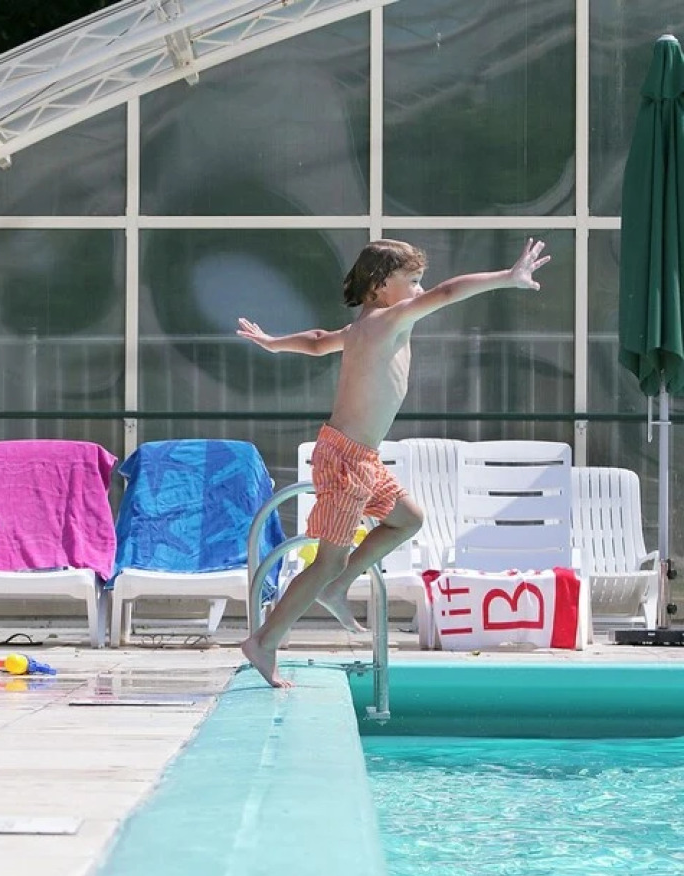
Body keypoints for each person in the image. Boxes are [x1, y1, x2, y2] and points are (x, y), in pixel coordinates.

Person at [235, 237, 551, 687]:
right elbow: (447, 293)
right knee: (326, 560)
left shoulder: (361, 328)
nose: (421, 290)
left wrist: (273, 343)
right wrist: (507, 277)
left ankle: (339, 585)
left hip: (361, 456)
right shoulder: (388, 321)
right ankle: (265, 641)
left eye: (421, 281)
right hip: (346, 458)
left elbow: (318, 341)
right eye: (413, 280)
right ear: (381, 285)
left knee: (408, 518)